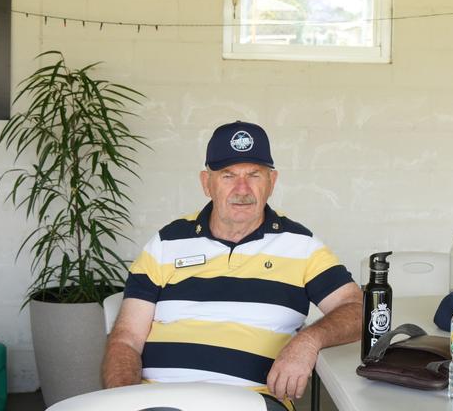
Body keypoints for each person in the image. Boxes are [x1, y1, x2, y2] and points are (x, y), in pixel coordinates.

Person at [102, 121, 362, 410]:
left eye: (254, 174)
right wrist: (123, 403)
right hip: (159, 401)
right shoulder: (166, 243)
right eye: (228, 176)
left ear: (272, 182)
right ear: (206, 182)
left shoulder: (301, 246)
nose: (242, 189)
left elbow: (357, 309)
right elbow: (126, 339)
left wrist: (309, 341)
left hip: (249, 402)